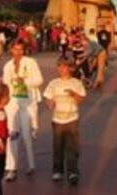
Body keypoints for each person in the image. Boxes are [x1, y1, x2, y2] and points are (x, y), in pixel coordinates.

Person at [1, 41, 43, 181]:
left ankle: (30, 164)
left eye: (20, 49)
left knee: (26, 134)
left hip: (28, 102)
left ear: (24, 50)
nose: (18, 52)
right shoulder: (8, 66)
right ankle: (11, 168)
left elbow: (39, 80)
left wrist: (24, 80)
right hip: (13, 102)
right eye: (15, 49)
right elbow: (6, 84)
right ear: (11, 50)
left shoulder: (30, 62)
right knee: (12, 134)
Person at [42, 57, 87, 186]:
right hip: (57, 119)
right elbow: (47, 97)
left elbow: (82, 99)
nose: (61, 69)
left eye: (64, 66)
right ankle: (57, 170)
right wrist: (50, 103)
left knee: (72, 147)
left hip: (72, 118)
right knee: (58, 146)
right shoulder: (53, 83)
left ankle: (73, 172)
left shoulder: (76, 83)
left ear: (70, 68)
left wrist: (74, 95)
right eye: (59, 66)